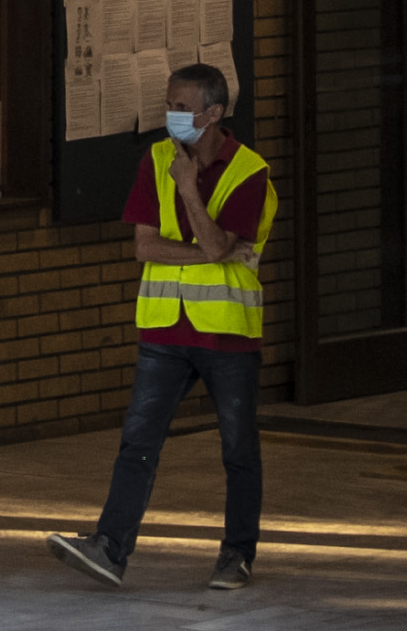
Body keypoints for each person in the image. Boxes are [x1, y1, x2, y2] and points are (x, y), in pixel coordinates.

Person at [52, 60, 269, 591]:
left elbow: (220, 244)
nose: (170, 116)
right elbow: (146, 247)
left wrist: (191, 190)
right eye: (168, 105)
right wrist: (209, 250)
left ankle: (237, 554)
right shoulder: (154, 159)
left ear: (213, 113)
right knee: (138, 441)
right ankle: (110, 547)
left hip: (226, 333)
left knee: (238, 448)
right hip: (164, 329)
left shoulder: (250, 173)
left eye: (180, 107)